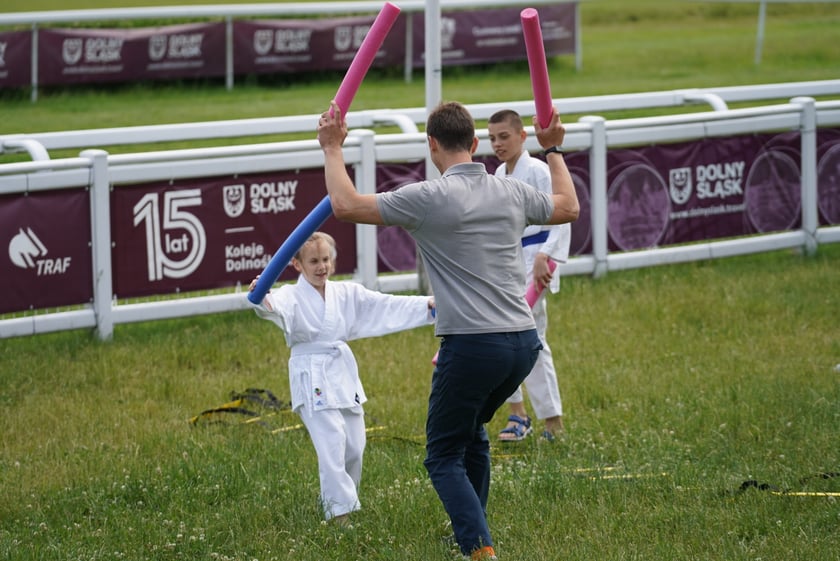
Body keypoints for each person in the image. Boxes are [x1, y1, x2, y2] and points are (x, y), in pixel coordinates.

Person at [317, 100, 578, 560]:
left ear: (432, 144)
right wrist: (554, 150)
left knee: (441, 454)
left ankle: (480, 550)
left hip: (474, 345)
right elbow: (569, 207)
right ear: (476, 144)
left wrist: (332, 147)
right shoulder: (511, 190)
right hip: (522, 344)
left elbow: (345, 205)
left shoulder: (426, 197)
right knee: (473, 429)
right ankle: (473, 527)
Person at [247, 231, 435, 526]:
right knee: (331, 442)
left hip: (342, 373)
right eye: (313, 261)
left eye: (325, 259)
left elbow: (383, 305)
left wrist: (425, 305)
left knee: (354, 444)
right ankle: (339, 514)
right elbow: (272, 304)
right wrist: (261, 295)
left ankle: (344, 497)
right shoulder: (290, 295)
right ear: (297, 264)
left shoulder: (346, 294)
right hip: (312, 374)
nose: (322, 266)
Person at [487, 109, 571, 443]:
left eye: (504, 136)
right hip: (506, 263)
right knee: (501, 340)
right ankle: (517, 412)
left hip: (537, 261)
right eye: (492, 138)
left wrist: (546, 256)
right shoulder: (497, 174)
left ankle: (552, 422)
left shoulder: (538, 170)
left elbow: (563, 213)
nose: (497, 144)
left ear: (523, 136)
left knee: (531, 342)